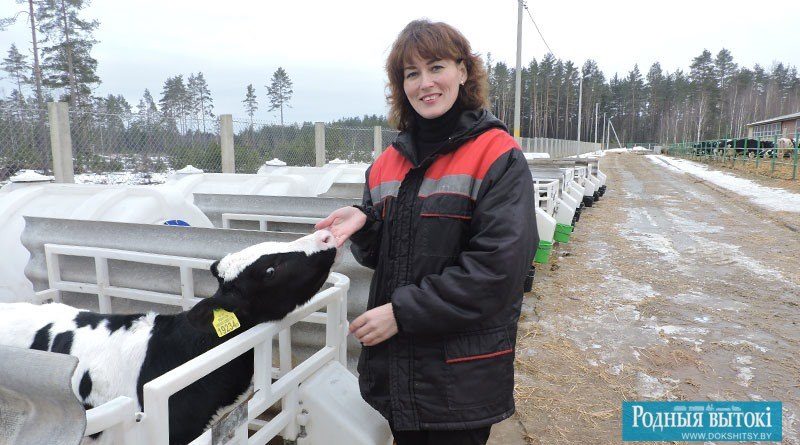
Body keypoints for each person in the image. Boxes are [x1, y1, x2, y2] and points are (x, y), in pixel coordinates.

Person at [315, 19, 538, 445]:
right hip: (398, 372)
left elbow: (498, 271)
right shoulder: (386, 164)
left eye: (436, 67)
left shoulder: (496, 155)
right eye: (411, 73)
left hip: (459, 376)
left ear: (464, 71)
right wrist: (368, 226)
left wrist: (402, 313)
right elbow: (384, 256)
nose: (425, 83)